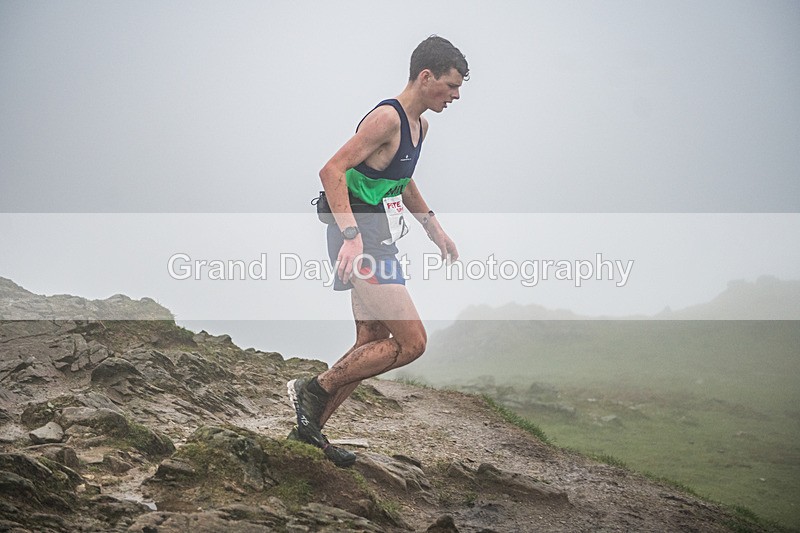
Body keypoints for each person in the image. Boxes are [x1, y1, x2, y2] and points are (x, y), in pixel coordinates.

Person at [287, 35, 468, 467]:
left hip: (375, 231)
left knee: (371, 339)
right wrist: (351, 235)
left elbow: (400, 181)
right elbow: (331, 170)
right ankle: (313, 387)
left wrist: (433, 227)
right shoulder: (387, 118)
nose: (457, 96)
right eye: (451, 85)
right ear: (426, 77)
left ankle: (307, 433)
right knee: (412, 342)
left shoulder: (420, 126)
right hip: (356, 232)